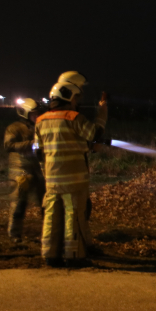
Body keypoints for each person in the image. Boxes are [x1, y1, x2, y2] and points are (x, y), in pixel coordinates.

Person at [34, 76, 107, 267]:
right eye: (76, 98)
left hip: (52, 181)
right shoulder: (73, 118)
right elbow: (95, 133)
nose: (77, 102)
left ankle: (50, 255)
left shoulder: (41, 120)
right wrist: (102, 114)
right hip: (74, 181)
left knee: (51, 216)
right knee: (73, 217)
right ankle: (74, 256)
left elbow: (39, 151)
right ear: (68, 97)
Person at [3, 98, 45, 241]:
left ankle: (50, 232)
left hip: (39, 169)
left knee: (46, 203)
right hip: (20, 171)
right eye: (34, 114)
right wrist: (32, 144)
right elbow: (8, 145)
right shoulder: (14, 128)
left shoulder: (40, 127)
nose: (37, 116)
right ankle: (14, 234)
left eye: (38, 113)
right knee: (19, 203)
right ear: (25, 113)